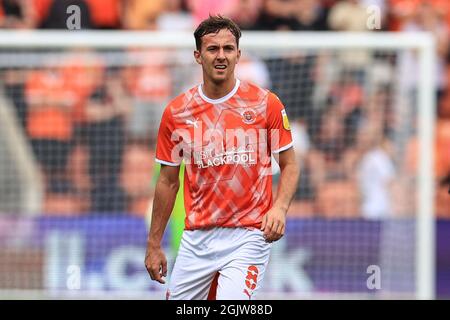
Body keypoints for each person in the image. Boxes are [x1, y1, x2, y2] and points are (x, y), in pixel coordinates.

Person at [144, 15, 299, 300]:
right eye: (212, 49)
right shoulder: (177, 113)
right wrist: (154, 244)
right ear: (197, 55)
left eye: (228, 49)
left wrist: (279, 208)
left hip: (249, 235)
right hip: (197, 238)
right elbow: (167, 182)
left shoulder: (266, 104)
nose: (221, 56)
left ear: (238, 54)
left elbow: (289, 164)